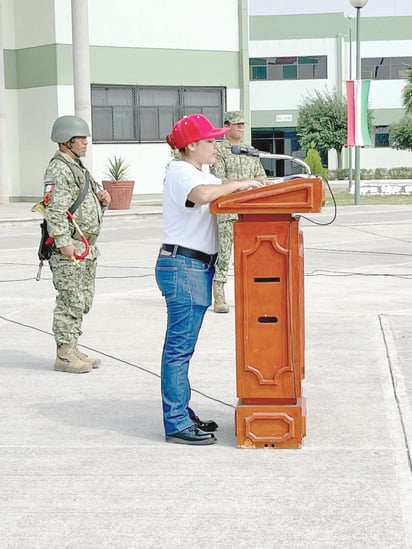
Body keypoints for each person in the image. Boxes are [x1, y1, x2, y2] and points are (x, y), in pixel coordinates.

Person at [155, 113, 265, 445]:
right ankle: (174, 421)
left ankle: (181, 412)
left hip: (194, 266)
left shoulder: (199, 171)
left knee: (182, 349)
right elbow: (203, 195)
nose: (216, 145)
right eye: (210, 141)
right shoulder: (180, 171)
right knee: (179, 349)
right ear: (190, 146)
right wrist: (237, 184)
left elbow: (212, 191)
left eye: (217, 140)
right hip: (183, 266)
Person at [44, 115, 111, 374]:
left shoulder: (77, 167)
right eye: (80, 139)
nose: (85, 143)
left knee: (82, 300)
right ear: (66, 141)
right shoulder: (60, 169)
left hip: (83, 247)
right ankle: (64, 354)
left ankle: (72, 346)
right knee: (70, 300)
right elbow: (55, 210)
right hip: (70, 249)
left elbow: (84, 204)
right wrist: (63, 244)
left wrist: (102, 201)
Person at [210, 111, 267, 313]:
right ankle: (219, 294)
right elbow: (219, 179)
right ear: (227, 126)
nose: (241, 128)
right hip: (228, 210)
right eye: (237, 124)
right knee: (225, 254)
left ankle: (251, 292)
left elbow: (261, 177)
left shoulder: (249, 151)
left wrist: (259, 185)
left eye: (243, 124)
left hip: (251, 212)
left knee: (252, 255)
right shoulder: (220, 151)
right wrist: (244, 185)